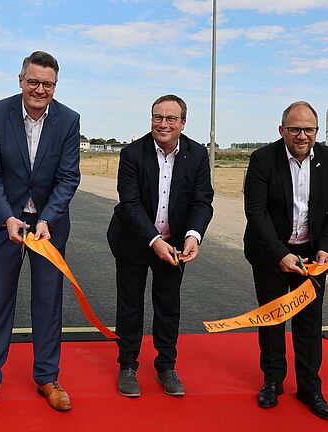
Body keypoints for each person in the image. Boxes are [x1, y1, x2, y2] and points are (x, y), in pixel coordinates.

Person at [0, 51, 80, 418]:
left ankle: (48, 378)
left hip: (49, 228)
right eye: (33, 81)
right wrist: (7, 217)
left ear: (55, 85)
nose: (39, 89)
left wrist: (47, 218)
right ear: (20, 80)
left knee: (48, 304)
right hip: (6, 224)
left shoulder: (68, 120)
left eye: (47, 83)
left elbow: (68, 177)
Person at [243, 101, 328, 420]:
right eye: (294, 129)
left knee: (309, 323)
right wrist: (280, 254)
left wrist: (327, 248)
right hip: (271, 254)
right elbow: (256, 212)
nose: (302, 135)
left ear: (317, 131)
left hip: (312, 258)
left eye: (309, 129)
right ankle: (272, 381)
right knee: (273, 319)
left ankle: (309, 388)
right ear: (282, 130)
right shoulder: (263, 159)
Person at [107, 94, 213, 398]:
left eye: (170, 119)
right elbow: (129, 203)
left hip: (175, 244)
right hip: (133, 240)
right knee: (130, 305)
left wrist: (193, 235)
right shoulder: (132, 153)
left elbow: (202, 200)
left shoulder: (196, 154)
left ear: (182, 123)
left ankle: (166, 366)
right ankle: (127, 366)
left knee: (168, 306)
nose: (162, 124)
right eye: (157, 117)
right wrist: (153, 241)